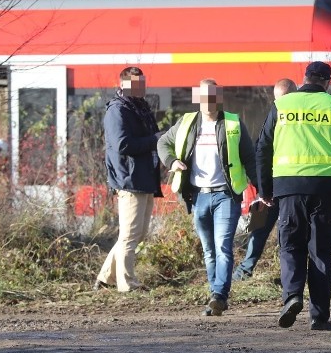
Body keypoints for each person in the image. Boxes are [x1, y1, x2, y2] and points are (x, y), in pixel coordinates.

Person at [256, 61, 331, 331]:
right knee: (321, 251)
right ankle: (319, 316)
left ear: (303, 78)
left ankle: (292, 296)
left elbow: (263, 148)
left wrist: (264, 189)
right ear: (328, 81)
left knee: (291, 245)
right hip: (326, 188)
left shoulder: (282, 106)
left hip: (288, 187)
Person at [157, 78, 257, 317]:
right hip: (198, 197)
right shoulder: (187, 122)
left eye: (212, 96)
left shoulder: (232, 123)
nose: (209, 102)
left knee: (223, 247)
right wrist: (172, 161)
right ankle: (215, 296)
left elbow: (249, 158)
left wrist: (261, 189)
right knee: (209, 250)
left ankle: (219, 295)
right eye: (204, 97)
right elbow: (163, 142)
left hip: (226, 196)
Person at [95, 66, 163, 293]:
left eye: (142, 82)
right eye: (136, 83)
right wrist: (156, 139)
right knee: (130, 234)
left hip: (142, 177)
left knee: (137, 233)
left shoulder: (137, 107)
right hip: (129, 178)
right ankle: (127, 283)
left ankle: (106, 277)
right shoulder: (118, 110)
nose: (141, 87)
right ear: (123, 84)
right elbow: (123, 144)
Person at [232, 78, 297, 282]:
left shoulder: (287, 117)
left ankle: (289, 273)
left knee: (285, 232)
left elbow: (261, 149)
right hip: (275, 186)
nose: (280, 104)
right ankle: (245, 269)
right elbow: (261, 150)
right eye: (278, 100)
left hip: (285, 187)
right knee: (259, 229)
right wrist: (262, 188)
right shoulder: (277, 114)